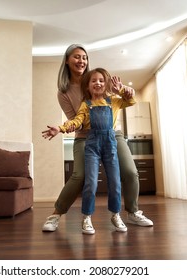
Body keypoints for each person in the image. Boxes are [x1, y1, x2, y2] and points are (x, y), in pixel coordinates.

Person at [41, 44, 153, 232]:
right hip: (86, 137)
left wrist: (125, 91)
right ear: (67, 60)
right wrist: (62, 128)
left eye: (84, 57)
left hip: (112, 135)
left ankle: (133, 213)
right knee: (80, 176)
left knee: (130, 173)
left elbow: (124, 97)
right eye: (77, 57)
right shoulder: (64, 91)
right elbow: (74, 119)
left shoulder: (97, 78)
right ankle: (55, 214)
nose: (81, 61)